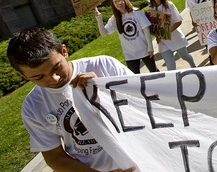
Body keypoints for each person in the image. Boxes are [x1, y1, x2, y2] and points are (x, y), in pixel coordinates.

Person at [6, 27, 136, 172]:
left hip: (143, 160)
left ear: (64, 51)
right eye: (38, 77)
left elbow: (149, 104)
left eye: (56, 67)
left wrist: (105, 87)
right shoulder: (33, 107)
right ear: (24, 76)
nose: (54, 79)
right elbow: (55, 157)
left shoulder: (104, 66)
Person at [94, 0, 158, 74]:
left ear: (125, 0)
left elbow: (146, 29)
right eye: (115, 2)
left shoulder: (136, 13)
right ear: (113, 5)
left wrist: (150, 46)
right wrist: (99, 18)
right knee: (134, 77)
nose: (119, 3)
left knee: (154, 72)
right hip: (130, 54)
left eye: (120, 0)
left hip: (144, 50)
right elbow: (104, 33)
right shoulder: (114, 19)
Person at [147, 0, 196, 70]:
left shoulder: (169, 5)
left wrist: (165, 32)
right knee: (170, 65)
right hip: (163, 42)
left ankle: (193, 66)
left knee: (185, 56)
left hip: (175, 38)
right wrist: (157, 35)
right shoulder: (149, 10)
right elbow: (153, 27)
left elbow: (178, 21)